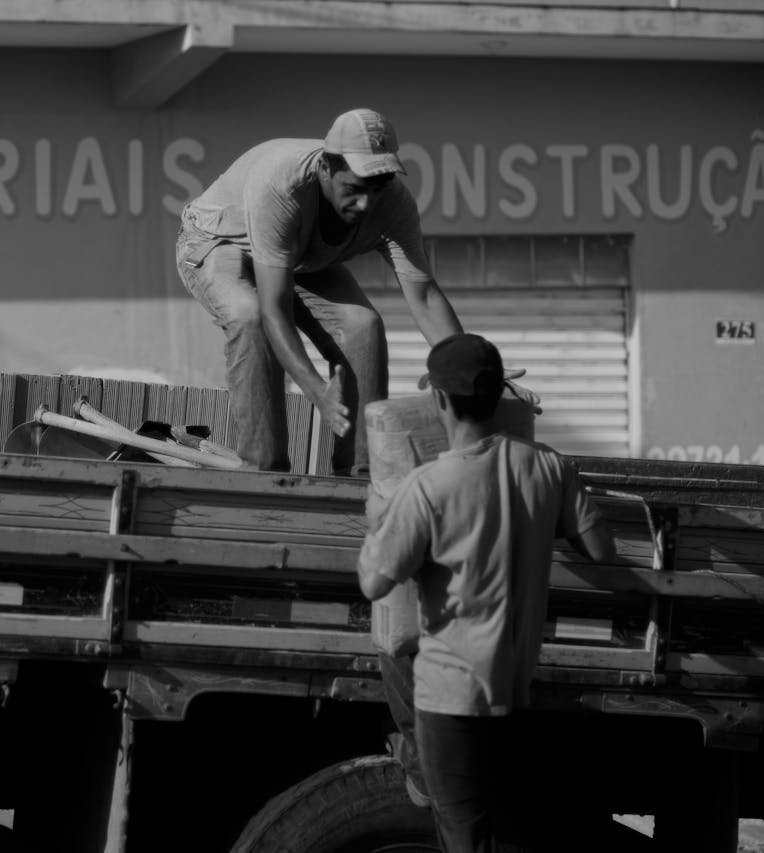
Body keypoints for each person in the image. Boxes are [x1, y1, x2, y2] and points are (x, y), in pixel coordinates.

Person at [356, 333, 616, 853]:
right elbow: (601, 550)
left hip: (449, 694)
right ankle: (419, 766)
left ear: (439, 401)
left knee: (463, 835)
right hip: (513, 684)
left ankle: (416, 766)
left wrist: (378, 516)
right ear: (499, 397)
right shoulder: (550, 467)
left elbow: (375, 582)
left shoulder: (428, 485)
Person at [176, 108, 531, 475]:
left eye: (375, 190)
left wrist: (478, 372)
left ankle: (360, 473)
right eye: (353, 189)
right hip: (217, 242)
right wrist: (316, 390)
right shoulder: (282, 186)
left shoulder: (394, 205)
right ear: (326, 170)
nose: (365, 204)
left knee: (363, 326)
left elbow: (424, 296)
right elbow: (274, 309)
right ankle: (264, 469)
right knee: (248, 316)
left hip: (299, 259)